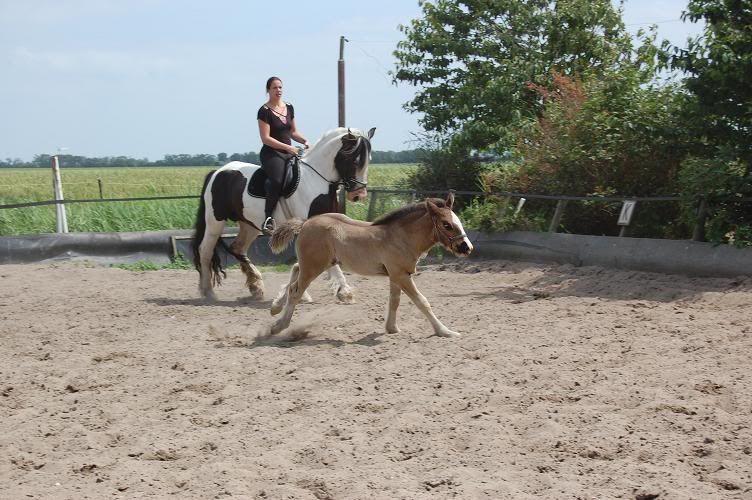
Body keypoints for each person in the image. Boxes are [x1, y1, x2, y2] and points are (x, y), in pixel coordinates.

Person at [257, 76, 310, 234]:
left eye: (280, 87)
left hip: (289, 152)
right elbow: (266, 138)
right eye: (274, 87)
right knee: (277, 180)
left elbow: (293, 132)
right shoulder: (264, 111)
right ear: (268, 90)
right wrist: (288, 147)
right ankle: (268, 218)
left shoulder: (289, 107)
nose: (278, 90)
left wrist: (305, 141)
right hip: (271, 153)